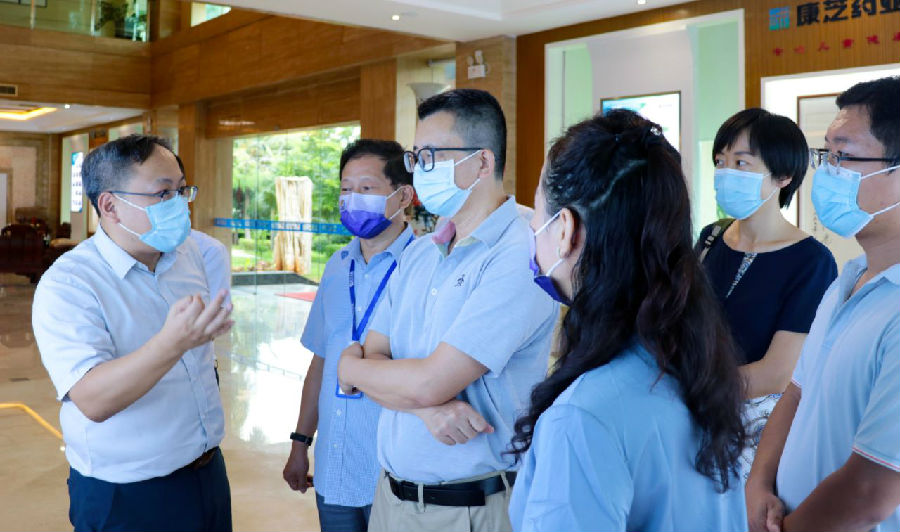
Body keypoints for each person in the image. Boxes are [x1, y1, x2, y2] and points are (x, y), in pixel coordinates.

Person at [507, 109, 748, 531]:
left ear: (564, 229)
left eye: (537, 213)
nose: (531, 228)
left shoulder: (582, 416)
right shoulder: (692, 368)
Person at [337, 88, 558, 532]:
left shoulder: (521, 252)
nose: (419, 170)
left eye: (432, 157)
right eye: (416, 157)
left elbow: (426, 380)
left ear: (482, 162)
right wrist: (426, 410)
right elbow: (378, 353)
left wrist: (350, 368)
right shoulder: (421, 253)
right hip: (391, 498)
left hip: (471, 507)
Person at [32, 134, 234, 532]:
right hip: (126, 492)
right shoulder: (70, 284)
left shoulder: (193, 254)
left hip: (207, 471)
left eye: (182, 190)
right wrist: (173, 342)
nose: (179, 204)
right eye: (163, 193)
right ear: (110, 205)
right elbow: (93, 399)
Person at [746, 76, 900, 532]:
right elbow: (797, 391)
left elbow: (871, 489)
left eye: (844, 156)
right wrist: (759, 483)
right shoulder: (847, 280)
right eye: (826, 155)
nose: (828, 173)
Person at [281, 139, 417, 532]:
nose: (352, 199)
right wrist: (300, 443)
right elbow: (321, 361)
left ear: (403, 195)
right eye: (346, 188)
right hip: (334, 468)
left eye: (366, 188)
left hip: (395, 474)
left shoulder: (424, 267)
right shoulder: (338, 266)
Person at [696, 108, 837, 477]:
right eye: (720, 161)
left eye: (741, 163)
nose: (726, 172)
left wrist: (688, 389)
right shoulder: (711, 238)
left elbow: (778, 372)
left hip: (752, 442)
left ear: (783, 175)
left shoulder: (811, 261)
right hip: (690, 424)